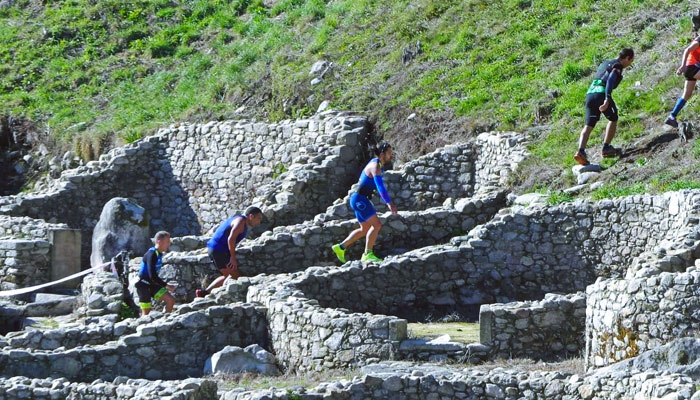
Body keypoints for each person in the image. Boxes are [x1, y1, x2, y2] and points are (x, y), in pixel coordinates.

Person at [332, 142, 398, 263]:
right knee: (377, 225)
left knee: (365, 228)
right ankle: (367, 254)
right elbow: (380, 187)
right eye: (389, 152)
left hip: (358, 199)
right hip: (360, 199)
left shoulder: (375, 163)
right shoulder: (375, 166)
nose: (391, 154)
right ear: (382, 153)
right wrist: (389, 203)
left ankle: (340, 247)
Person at [574, 48, 635, 166]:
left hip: (590, 94)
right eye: (631, 61)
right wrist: (607, 98)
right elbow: (610, 80)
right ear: (627, 58)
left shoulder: (605, 63)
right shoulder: (617, 66)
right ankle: (606, 148)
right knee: (613, 118)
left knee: (588, 125)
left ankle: (581, 151)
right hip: (601, 94)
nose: (629, 64)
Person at [195, 206, 263, 297]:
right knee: (235, 275)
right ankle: (225, 296)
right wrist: (233, 258)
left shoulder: (240, 221)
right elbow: (231, 239)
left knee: (229, 275)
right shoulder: (240, 223)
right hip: (218, 250)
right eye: (258, 218)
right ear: (251, 216)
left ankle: (204, 292)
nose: (259, 222)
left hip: (218, 249)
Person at [135, 231, 176, 316]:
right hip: (143, 285)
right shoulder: (152, 254)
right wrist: (167, 285)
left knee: (170, 300)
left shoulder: (159, 254)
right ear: (159, 241)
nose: (169, 244)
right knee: (146, 313)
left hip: (152, 284)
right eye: (167, 242)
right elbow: (152, 275)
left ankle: (164, 321)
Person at [665, 31, 700, 128]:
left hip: (692, 69)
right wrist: (683, 65)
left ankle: (672, 116)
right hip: (691, 67)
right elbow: (687, 50)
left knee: (687, 95)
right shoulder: (698, 41)